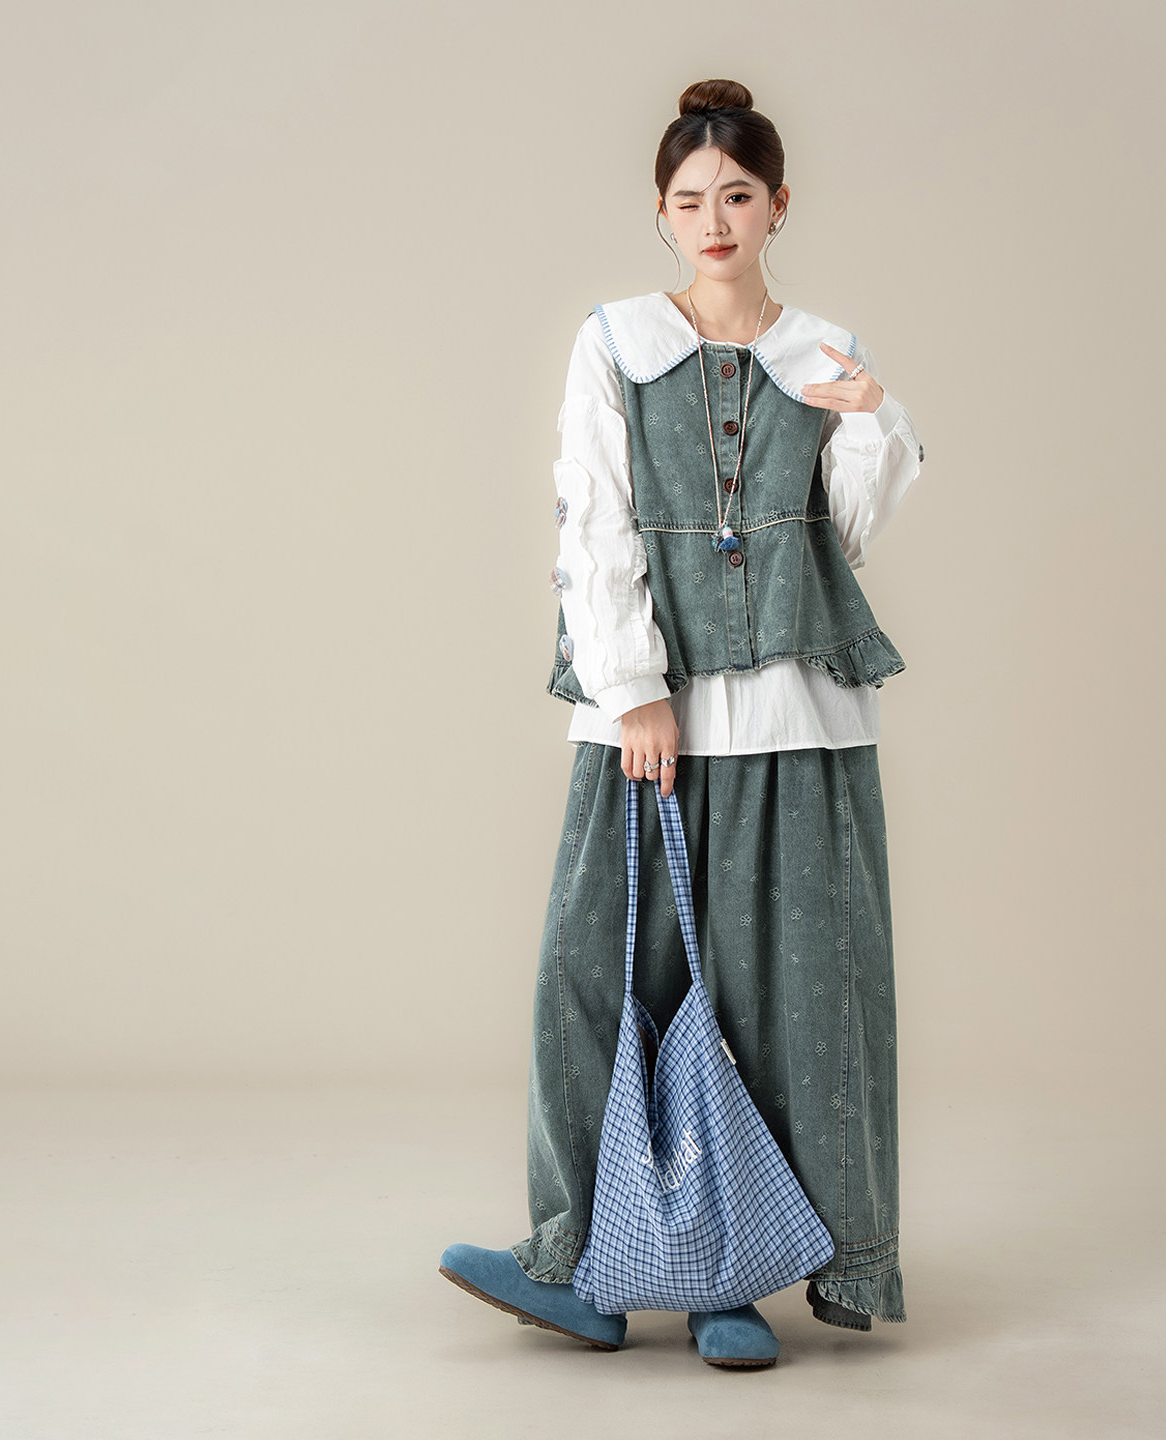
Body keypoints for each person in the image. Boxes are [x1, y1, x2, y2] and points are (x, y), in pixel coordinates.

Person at [439, 76, 922, 1369]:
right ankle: (580, 1260)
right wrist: (633, 689)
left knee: (783, 998)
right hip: (651, 720)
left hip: (798, 721)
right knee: (597, 979)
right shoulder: (613, 342)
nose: (716, 221)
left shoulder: (823, 351)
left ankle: (730, 1283)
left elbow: (844, 537)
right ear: (661, 212)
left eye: (739, 197)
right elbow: (592, 518)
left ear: (778, 206)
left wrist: (870, 423)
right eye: (692, 199)